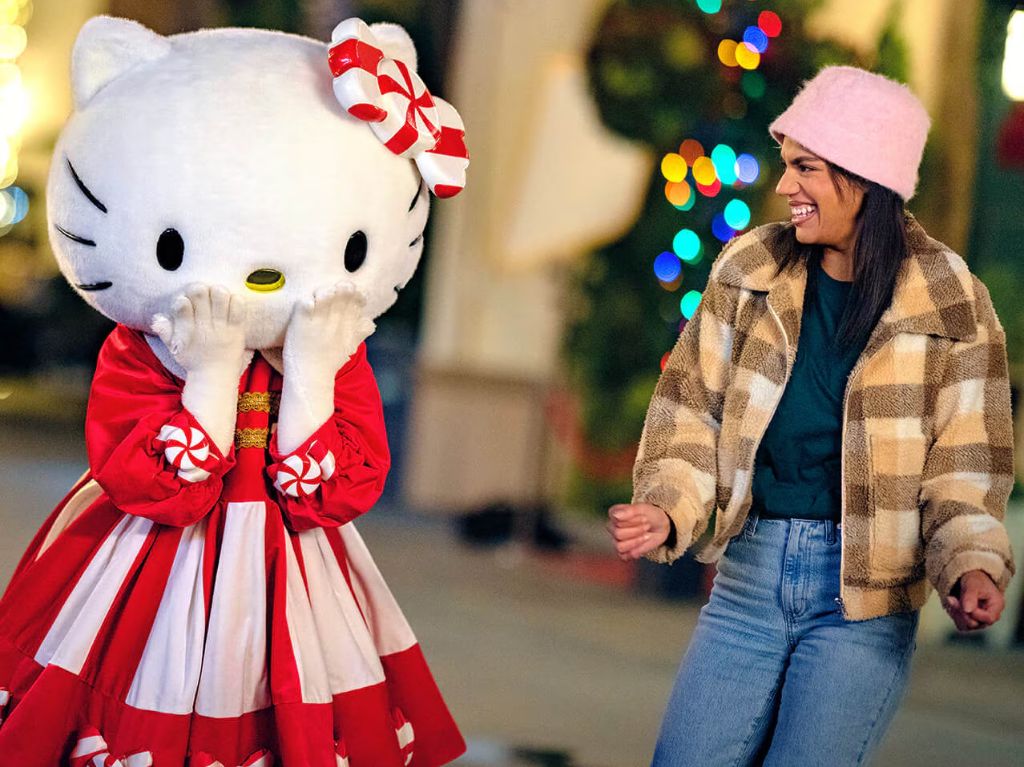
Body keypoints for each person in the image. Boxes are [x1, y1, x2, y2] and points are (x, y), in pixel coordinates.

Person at [607, 66, 1016, 766]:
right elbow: (691, 413)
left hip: (865, 604)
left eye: (805, 168)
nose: (784, 186)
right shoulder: (748, 270)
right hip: (747, 581)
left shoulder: (953, 300)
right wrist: (668, 507)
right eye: (785, 164)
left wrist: (972, 564)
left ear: (864, 177)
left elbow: (965, 469)